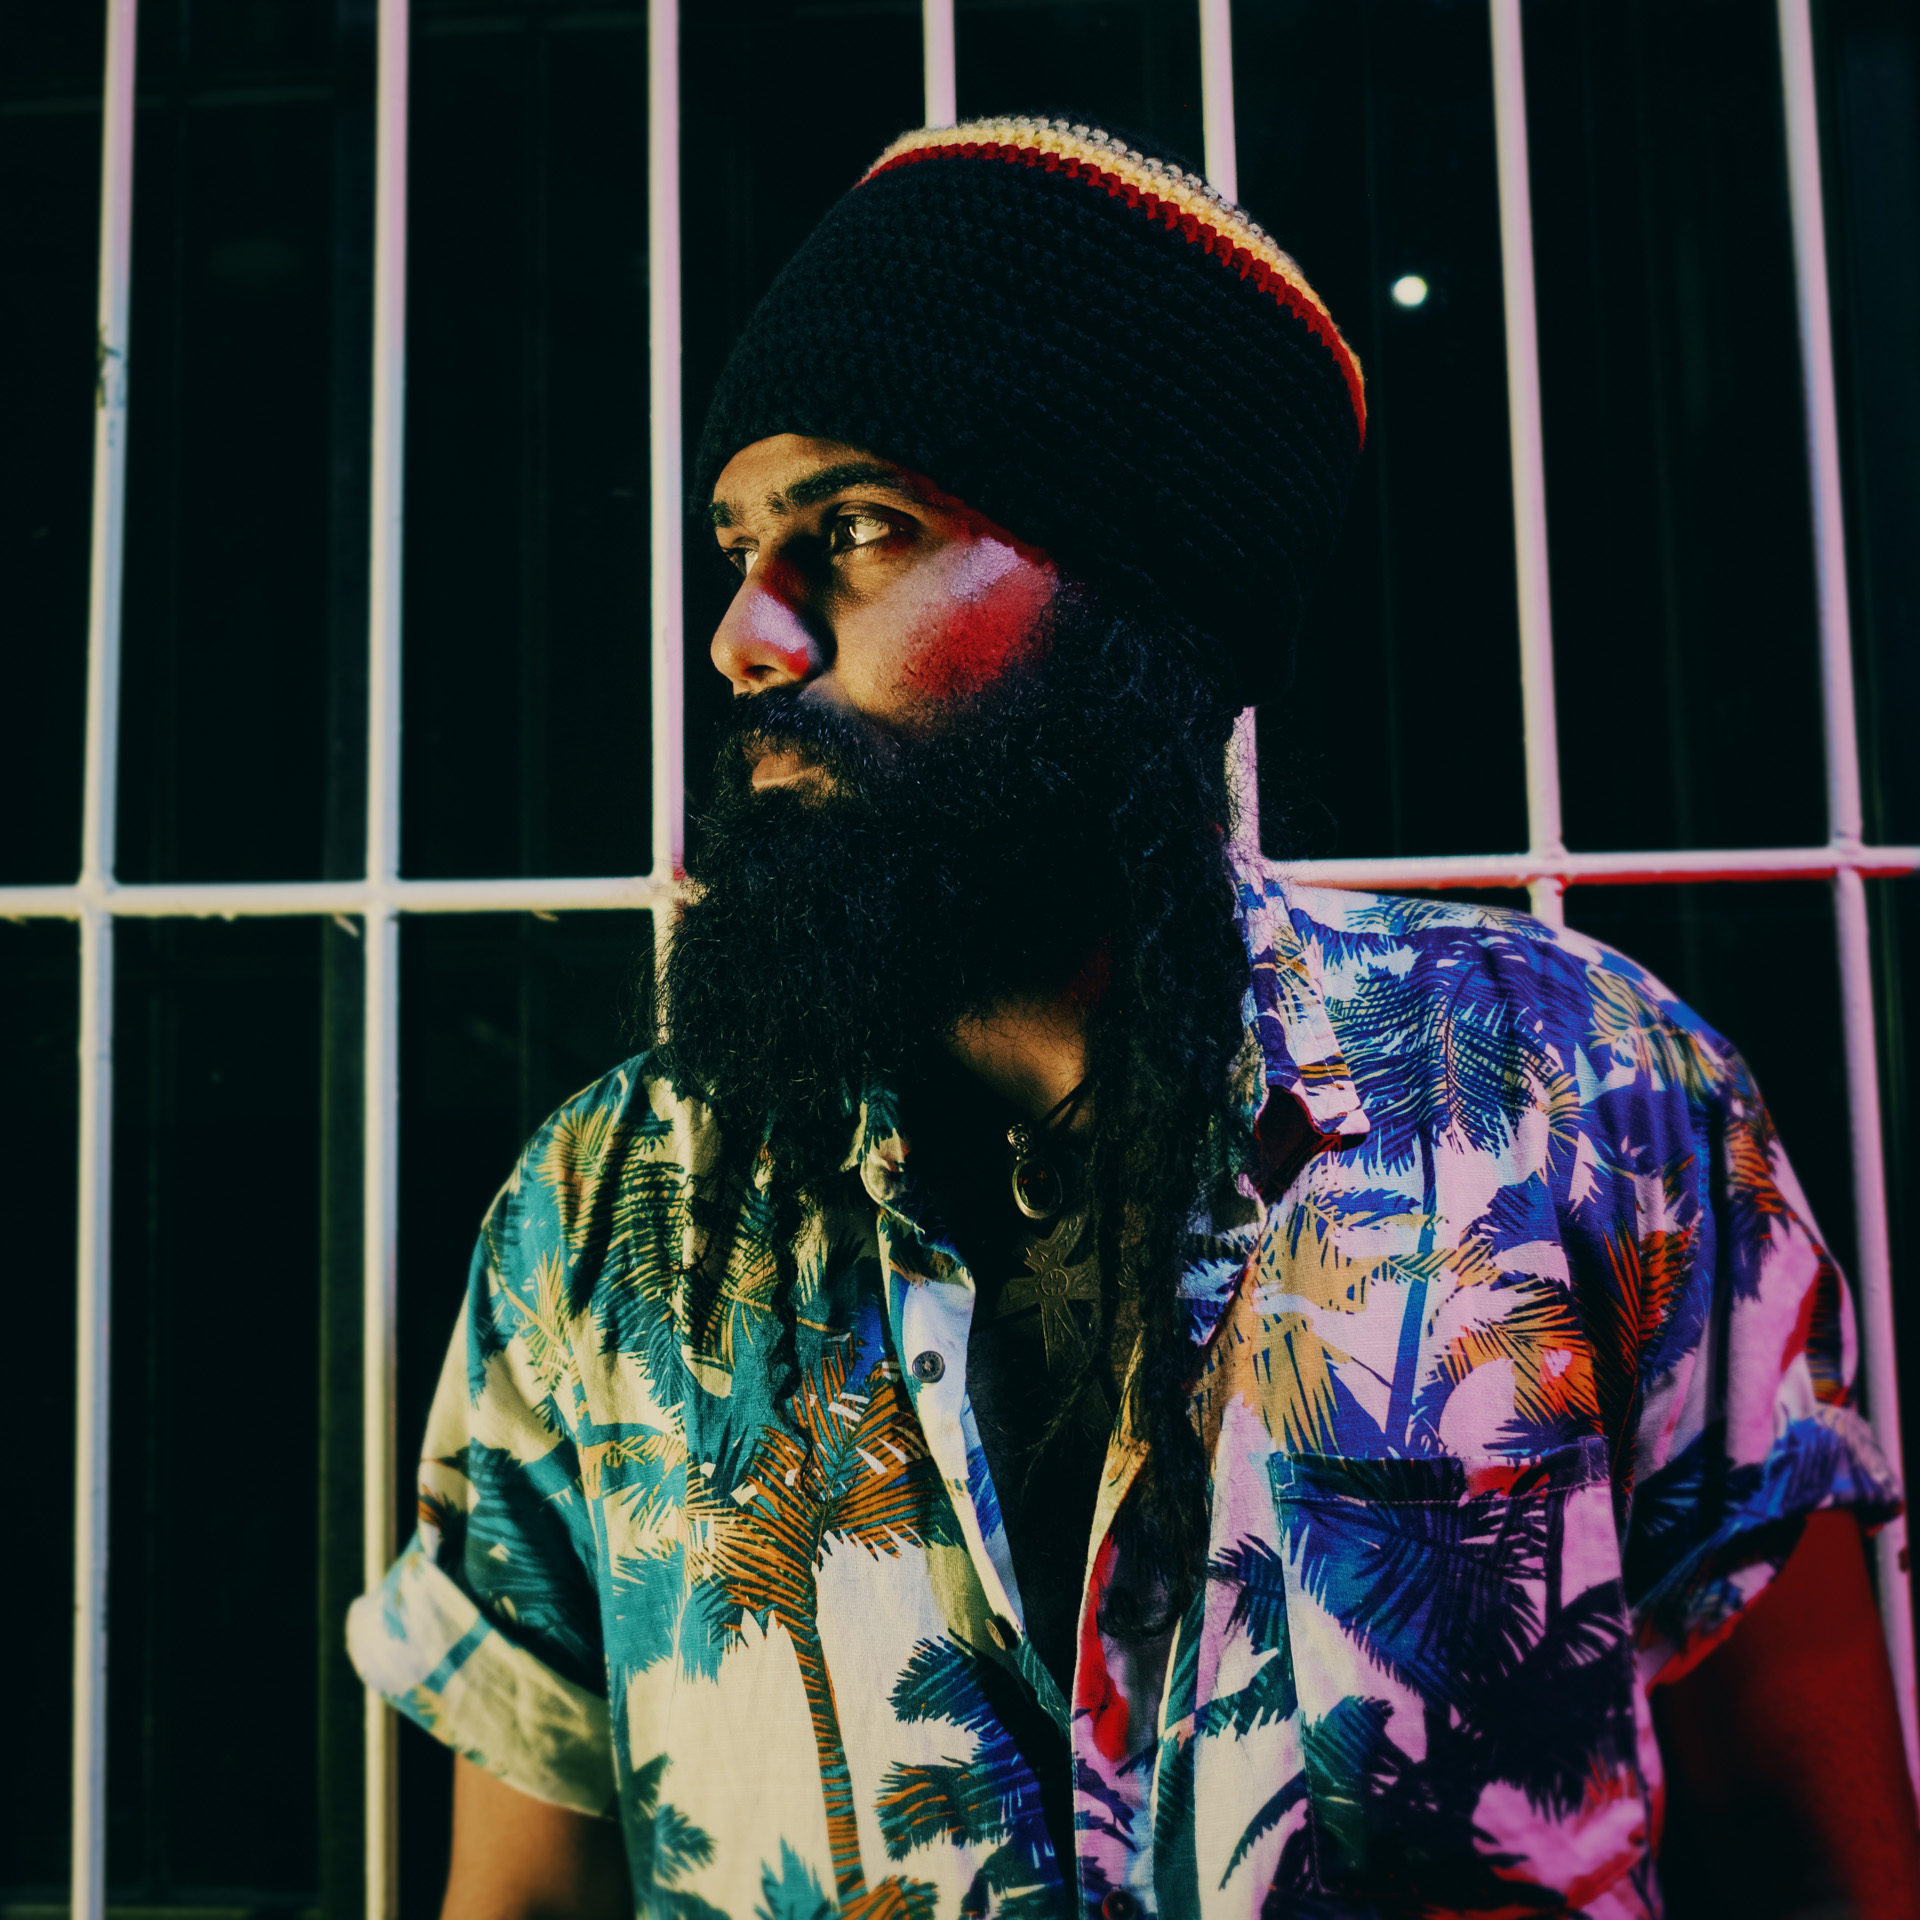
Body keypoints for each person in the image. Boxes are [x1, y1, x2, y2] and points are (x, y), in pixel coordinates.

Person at [348, 116, 1920, 1918]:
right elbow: (523, 1891)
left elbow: (1821, 1853)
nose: (747, 636)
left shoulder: (1585, 1098)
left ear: (1137, 596)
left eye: (861, 529)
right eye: (737, 543)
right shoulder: (604, 1214)